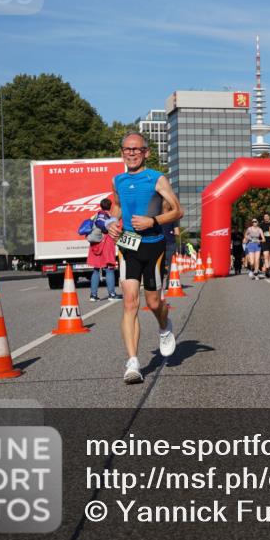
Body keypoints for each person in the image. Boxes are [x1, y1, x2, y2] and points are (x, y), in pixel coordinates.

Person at [108, 132, 184, 385]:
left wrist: (153, 221)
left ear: (146, 152)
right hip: (128, 245)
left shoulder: (156, 179)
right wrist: (112, 222)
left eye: (136, 149)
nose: (131, 153)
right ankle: (132, 362)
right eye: (127, 149)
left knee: (153, 303)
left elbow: (178, 211)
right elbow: (117, 206)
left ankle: (164, 325)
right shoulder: (117, 180)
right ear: (122, 153)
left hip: (153, 246)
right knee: (129, 302)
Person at [87, 198, 120, 302]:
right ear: (110, 206)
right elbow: (106, 227)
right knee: (109, 269)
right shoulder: (107, 216)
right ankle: (112, 294)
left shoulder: (95, 215)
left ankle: (93, 295)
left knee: (96, 269)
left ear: (101, 206)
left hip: (95, 245)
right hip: (106, 244)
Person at [260, 212, 270, 277]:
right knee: (266, 256)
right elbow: (260, 233)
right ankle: (267, 269)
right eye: (265, 217)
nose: (266, 218)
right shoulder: (261, 225)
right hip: (265, 242)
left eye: (267, 216)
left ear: (269, 217)